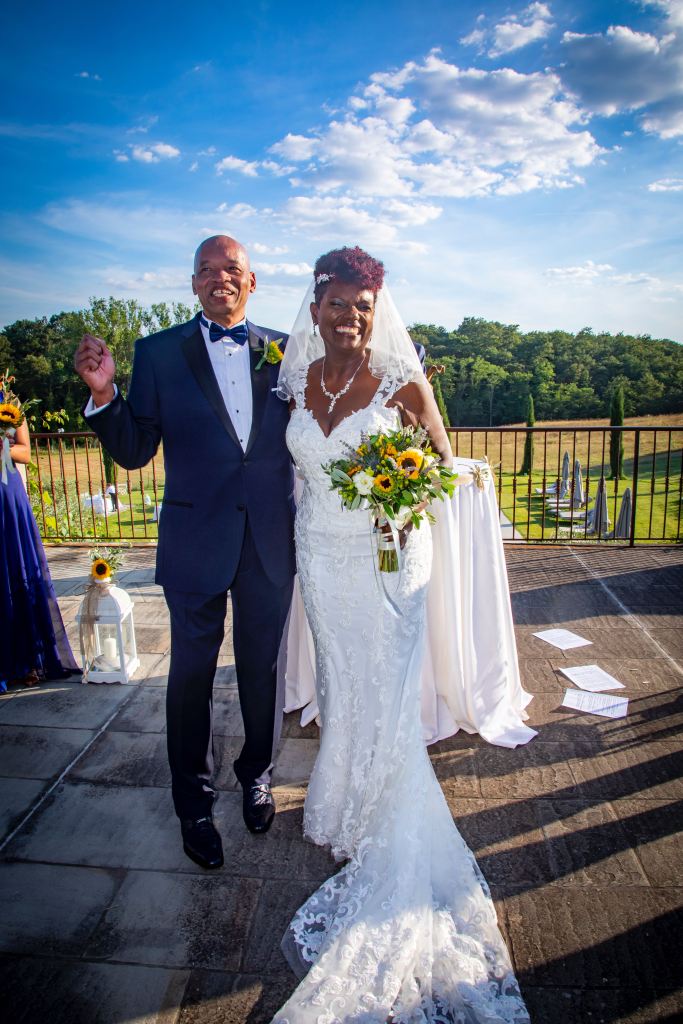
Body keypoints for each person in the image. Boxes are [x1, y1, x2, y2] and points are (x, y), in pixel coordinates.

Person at [272, 247, 531, 1022]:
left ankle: (388, 816)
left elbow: (443, 466)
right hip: (319, 555)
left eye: (361, 306)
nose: (347, 317)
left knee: (383, 686)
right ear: (314, 307)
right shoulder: (294, 379)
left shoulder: (402, 383)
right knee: (345, 680)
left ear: (375, 312)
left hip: (390, 559)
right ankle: (343, 801)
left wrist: (409, 487)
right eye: (335, 304)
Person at [73, 235, 296, 869]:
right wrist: (105, 395)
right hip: (195, 541)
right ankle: (193, 805)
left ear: (251, 282)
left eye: (231, 269)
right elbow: (135, 449)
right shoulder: (157, 353)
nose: (218, 278)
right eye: (206, 270)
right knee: (190, 679)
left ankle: (257, 773)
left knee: (262, 671)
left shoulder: (287, 350)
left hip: (269, 544)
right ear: (192, 284)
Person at [0, 403, 78, 688]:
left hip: (7, 496)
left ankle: (25, 661)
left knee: (16, 572)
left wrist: (2, 448)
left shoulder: (9, 404)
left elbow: (25, 452)